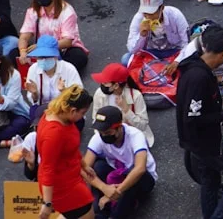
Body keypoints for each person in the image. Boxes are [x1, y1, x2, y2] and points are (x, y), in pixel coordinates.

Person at [177, 27, 223, 219]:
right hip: (206, 142)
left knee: (211, 181)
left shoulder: (192, 68)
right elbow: (194, 118)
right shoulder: (199, 78)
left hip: (194, 142)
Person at [83, 104, 156, 218]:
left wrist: (115, 193)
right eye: (101, 132)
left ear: (120, 127)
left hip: (142, 179)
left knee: (132, 173)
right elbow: (84, 168)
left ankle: (117, 213)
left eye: (108, 132)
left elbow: (140, 168)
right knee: (98, 167)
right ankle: (101, 209)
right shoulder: (98, 138)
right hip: (115, 176)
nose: (103, 135)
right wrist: (104, 188)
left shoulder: (135, 135)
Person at [36, 85, 95, 219]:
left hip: (71, 176)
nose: (83, 117)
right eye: (83, 113)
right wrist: (47, 203)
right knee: (85, 213)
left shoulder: (62, 116)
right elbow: (47, 168)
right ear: (73, 110)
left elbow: (70, 148)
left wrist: (84, 165)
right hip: (61, 186)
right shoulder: (53, 134)